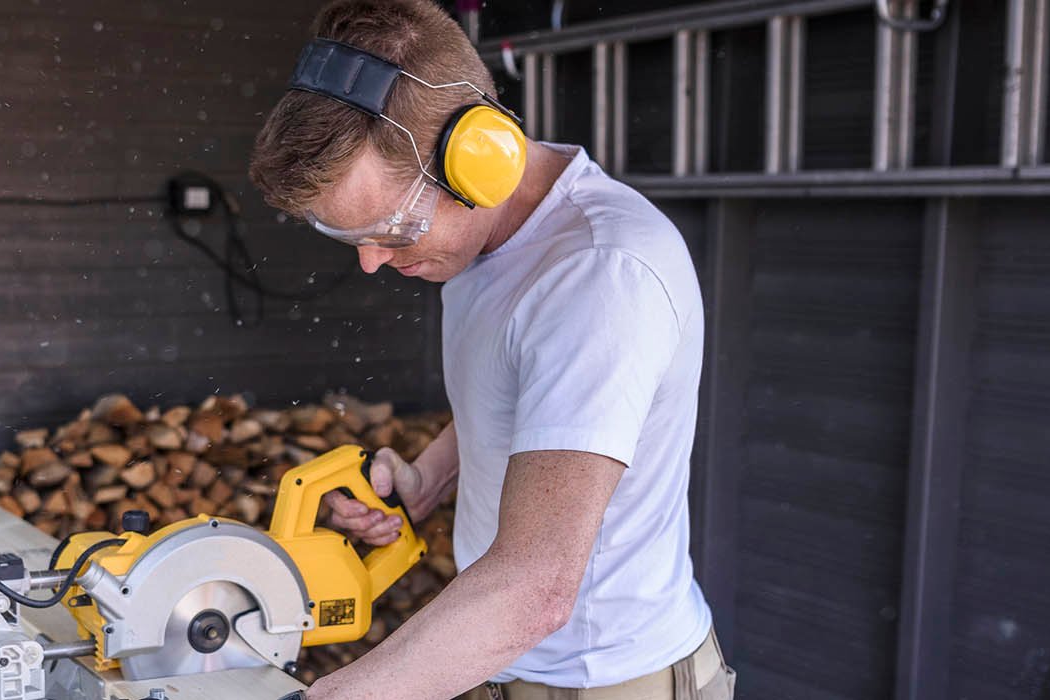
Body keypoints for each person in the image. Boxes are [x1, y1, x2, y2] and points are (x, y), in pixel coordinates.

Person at [247, 2, 734, 699]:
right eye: (350, 238)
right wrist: (429, 479)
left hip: (605, 682)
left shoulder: (599, 277)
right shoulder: (484, 243)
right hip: (506, 666)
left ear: (481, 158)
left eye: (391, 230)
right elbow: (534, 396)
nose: (373, 261)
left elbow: (534, 589)